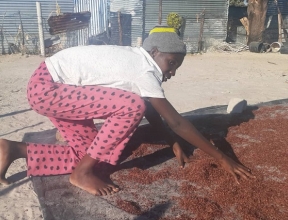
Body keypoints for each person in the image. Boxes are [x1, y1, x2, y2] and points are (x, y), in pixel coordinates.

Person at [0, 32, 255, 196]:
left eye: (177, 66)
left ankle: (13, 150)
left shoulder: (137, 58)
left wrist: (172, 142)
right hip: (50, 90)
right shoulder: (144, 69)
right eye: (171, 63)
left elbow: (155, 110)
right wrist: (222, 158)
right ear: (155, 53)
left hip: (51, 86)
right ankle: (81, 174)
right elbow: (175, 120)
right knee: (131, 106)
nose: (173, 71)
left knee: (93, 155)